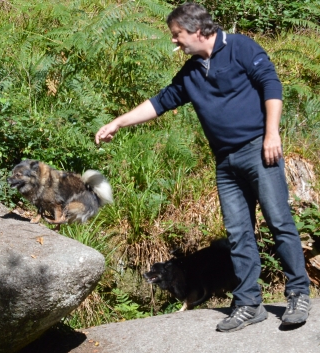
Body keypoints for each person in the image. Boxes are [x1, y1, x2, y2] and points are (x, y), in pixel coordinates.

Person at [95, 2, 311, 332]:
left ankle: (298, 293)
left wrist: (272, 133)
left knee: (279, 222)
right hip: (226, 162)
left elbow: (271, 84)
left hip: (259, 151)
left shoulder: (240, 47)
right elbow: (161, 101)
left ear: (197, 31)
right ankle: (249, 302)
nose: (174, 42)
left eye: (177, 35)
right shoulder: (193, 71)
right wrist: (118, 123)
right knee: (238, 235)